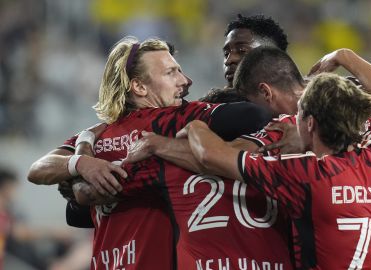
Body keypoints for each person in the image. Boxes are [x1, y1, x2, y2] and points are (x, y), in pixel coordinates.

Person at [28, 35, 285, 269]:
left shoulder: (98, 134)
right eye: (171, 73)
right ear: (139, 87)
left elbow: (42, 173)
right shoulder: (171, 120)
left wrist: (80, 161)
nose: (185, 81)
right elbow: (253, 115)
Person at [173, 48, 371, 269]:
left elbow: (213, 155)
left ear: (310, 123)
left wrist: (192, 128)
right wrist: (342, 56)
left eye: (298, 115)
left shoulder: (305, 171)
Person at [200, 13, 289, 103]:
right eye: (226, 54)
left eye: (242, 51)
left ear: (274, 60)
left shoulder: (300, 109)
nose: (229, 61)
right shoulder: (210, 110)